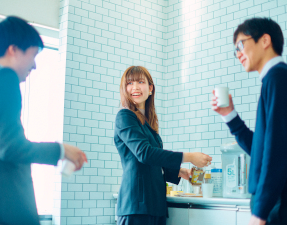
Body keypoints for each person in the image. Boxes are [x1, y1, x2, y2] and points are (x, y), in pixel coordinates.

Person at [0, 16, 87, 225]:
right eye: (33, 55)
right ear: (13, 49)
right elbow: (10, 147)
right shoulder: (4, 77)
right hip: (8, 209)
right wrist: (60, 150)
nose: (34, 66)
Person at [211, 18, 287, 225]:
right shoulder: (272, 80)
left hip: (276, 206)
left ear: (265, 40)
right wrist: (229, 115)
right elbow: (261, 150)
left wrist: (260, 213)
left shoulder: (278, 78)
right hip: (273, 204)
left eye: (240, 45)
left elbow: (277, 154)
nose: (238, 54)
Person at [114, 66, 212, 225]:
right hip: (135, 206)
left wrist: (180, 172)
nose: (136, 87)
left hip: (155, 205)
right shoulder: (125, 116)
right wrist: (189, 157)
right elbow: (144, 153)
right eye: (130, 83)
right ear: (124, 89)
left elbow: (152, 163)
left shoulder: (148, 125)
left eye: (140, 82)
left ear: (150, 88)